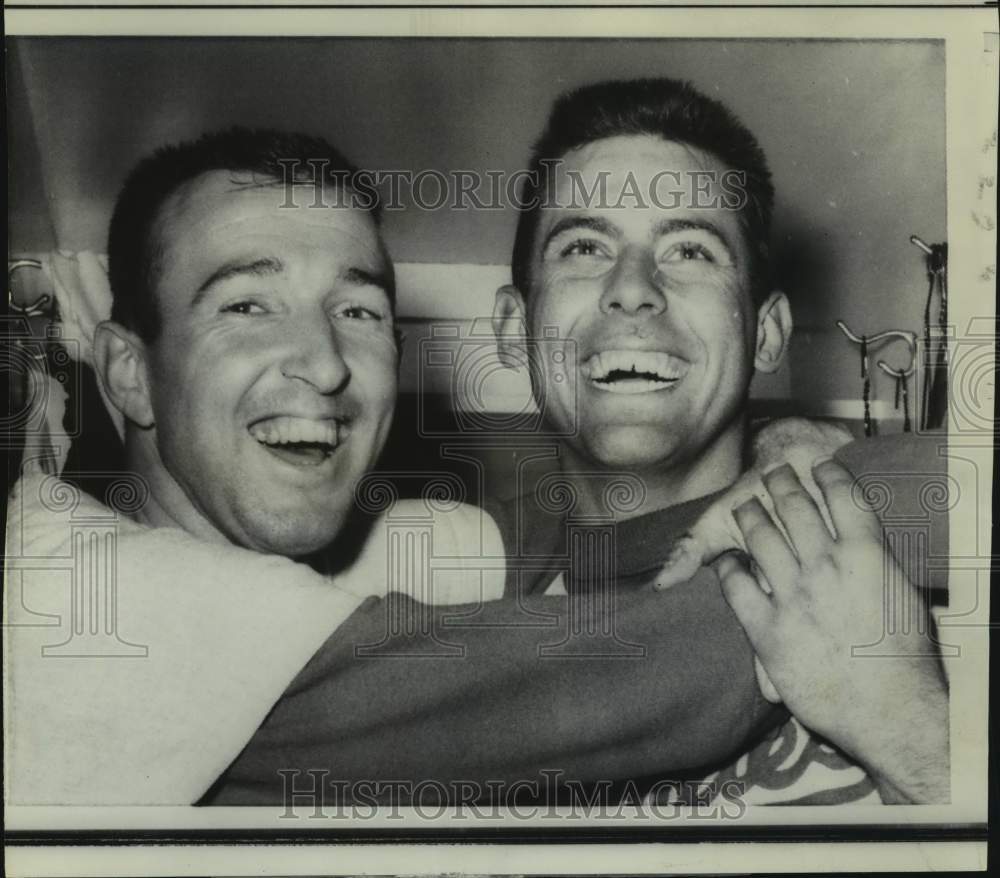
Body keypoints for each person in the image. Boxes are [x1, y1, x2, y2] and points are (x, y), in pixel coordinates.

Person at [7, 127, 792, 806]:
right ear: (127, 372)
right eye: (247, 304)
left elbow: (601, 534)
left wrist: (788, 442)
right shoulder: (60, 590)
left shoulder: (387, 552)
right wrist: (848, 497)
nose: (323, 364)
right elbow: (660, 671)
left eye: (359, 312)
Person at [486, 78, 949, 804]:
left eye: (691, 251)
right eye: (583, 245)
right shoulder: (463, 604)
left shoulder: (927, 557)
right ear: (514, 330)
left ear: (765, 334)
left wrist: (915, 738)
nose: (633, 288)